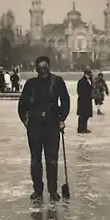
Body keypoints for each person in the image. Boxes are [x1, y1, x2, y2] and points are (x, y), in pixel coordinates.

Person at [17, 56, 70, 201]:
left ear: (50, 67)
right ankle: (38, 190)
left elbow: (65, 100)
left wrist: (62, 119)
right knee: (35, 160)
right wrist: (25, 121)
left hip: (52, 126)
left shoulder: (57, 82)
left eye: (45, 68)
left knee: (52, 160)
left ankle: (52, 190)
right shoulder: (30, 84)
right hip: (34, 127)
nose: (43, 72)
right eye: (40, 69)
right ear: (36, 69)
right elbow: (22, 105)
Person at [77, 67, 93, 133]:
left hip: (87, 100)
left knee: (86, 115)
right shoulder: (82, 81)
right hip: (83, 101)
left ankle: (84, 128)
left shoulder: (89, 80)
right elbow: (80, 91)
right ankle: (81, 129)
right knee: (82, 116)